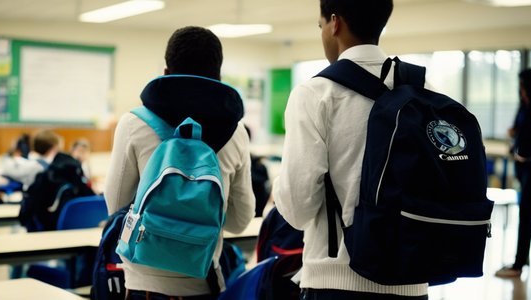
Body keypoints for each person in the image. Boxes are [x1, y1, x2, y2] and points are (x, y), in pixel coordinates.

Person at [273, 0, 429, 299]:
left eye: (321, 26)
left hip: (337, 281)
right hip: (413, 279)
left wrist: (280, 186)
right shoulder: (425, 89)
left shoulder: (316, 94)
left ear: (335, 23)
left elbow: (297, 207)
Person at [104, 26, 255, 299]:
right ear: (219, 77)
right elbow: (239, 221)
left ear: (165, 73)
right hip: (203, 282)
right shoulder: (237, 133)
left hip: (143, 286)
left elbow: (116, 205)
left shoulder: (133, 123)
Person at [495, 68, 531, 278]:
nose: (521, 90)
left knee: (527, 210)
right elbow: (521, 131)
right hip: (522, 165)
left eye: (524, 86)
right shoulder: (524, 106)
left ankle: (518, 264)